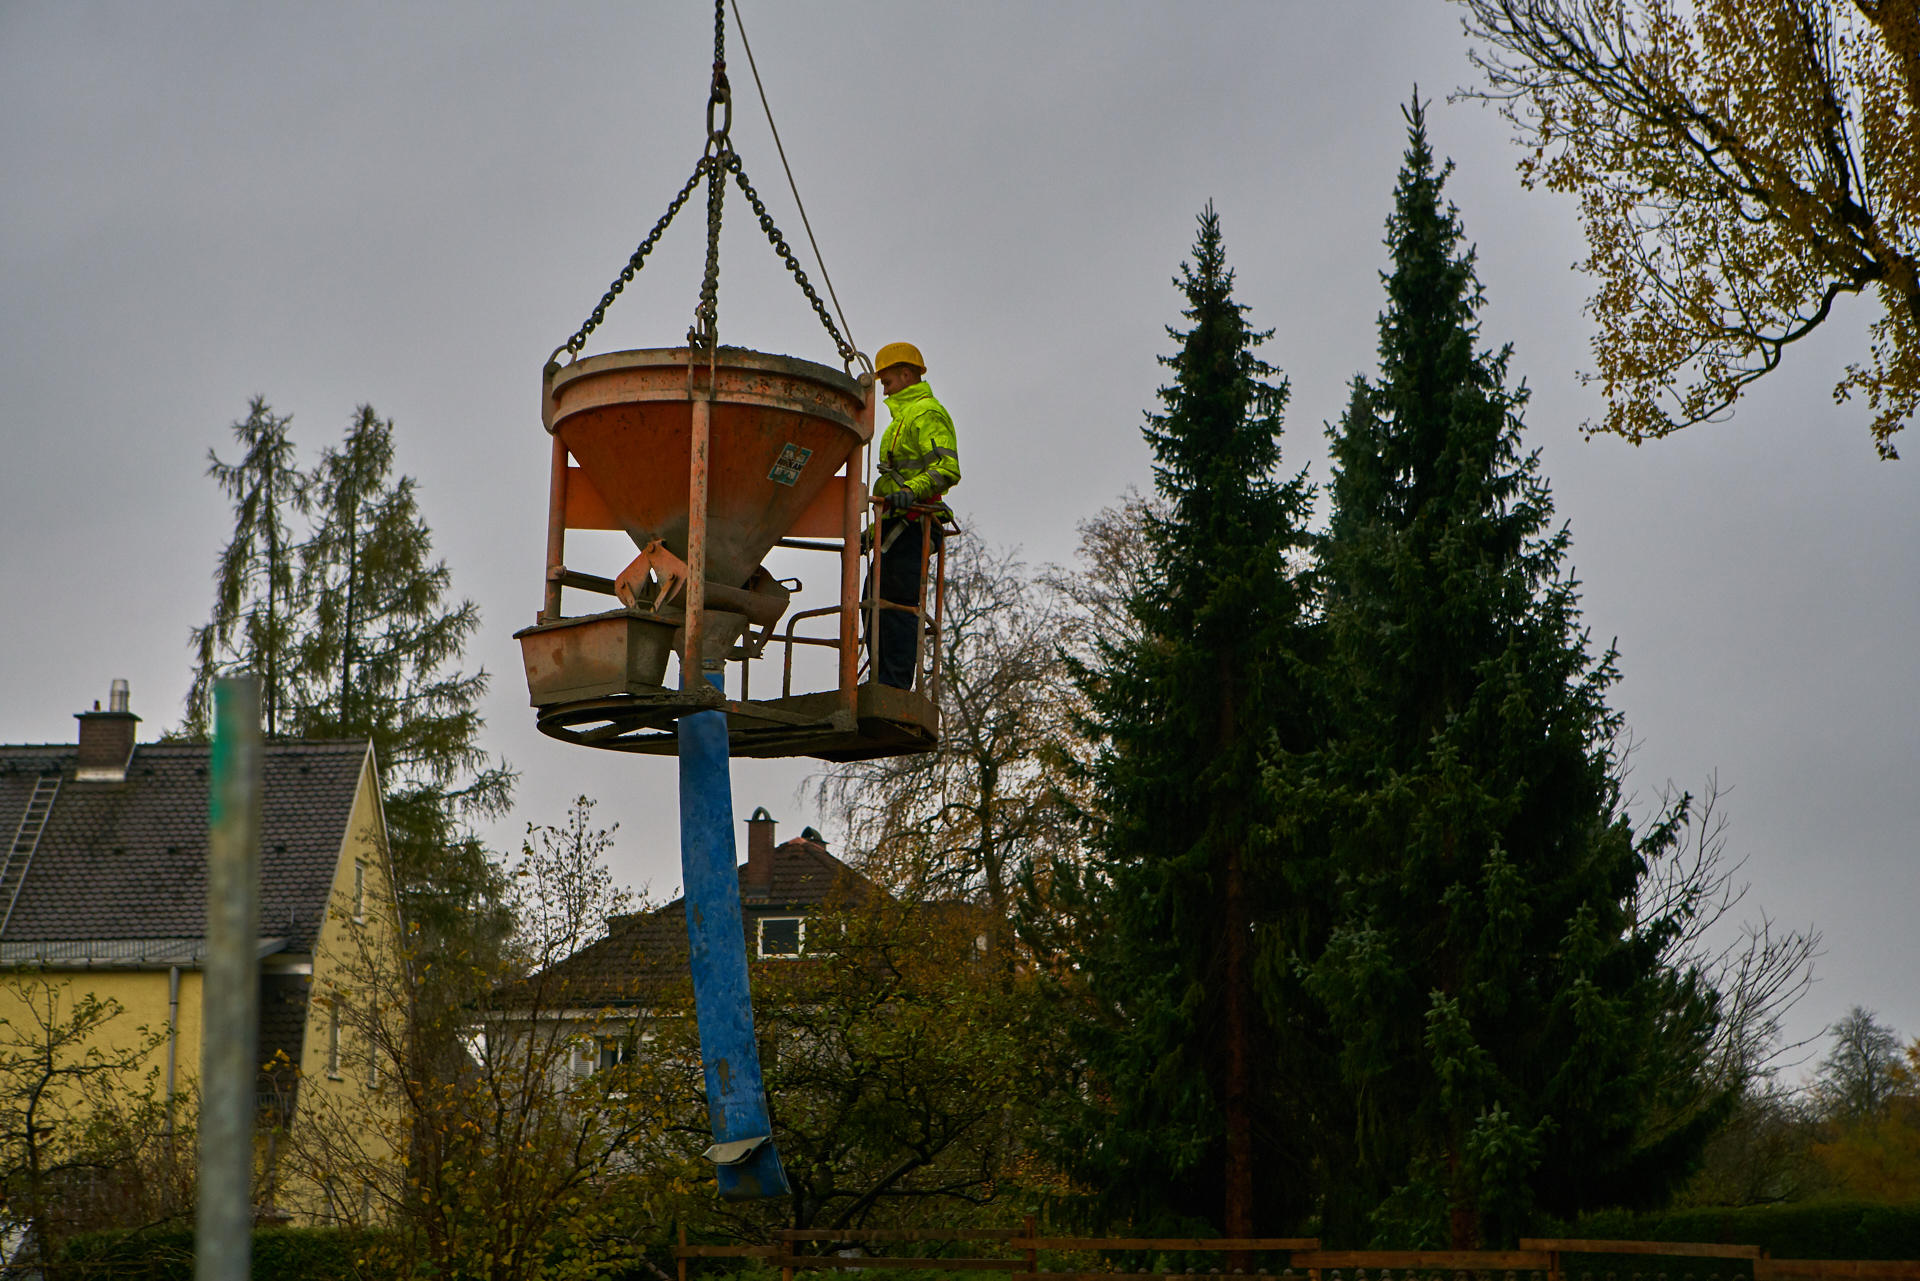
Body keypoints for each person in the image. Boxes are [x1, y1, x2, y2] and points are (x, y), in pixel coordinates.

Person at [868, 341, 959, 690]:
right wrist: (872, 532)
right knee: (873, 602)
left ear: (906, 375)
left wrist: (912, 490)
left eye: (888, 382)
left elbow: (947, 468)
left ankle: (894, 687)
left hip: (915, 525)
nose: (885, 390)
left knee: (897, 605)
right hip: (897, 526)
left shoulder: (926, 414)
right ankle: (880, 681)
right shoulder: (901, 420)